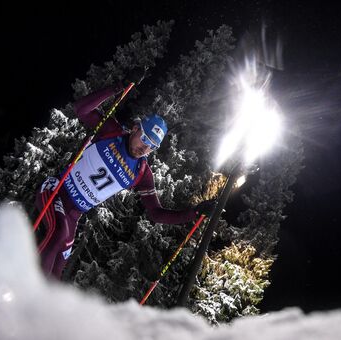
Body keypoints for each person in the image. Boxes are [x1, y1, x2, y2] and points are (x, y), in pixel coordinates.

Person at [35, 84, 216, 278]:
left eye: (152, 146)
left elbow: (156, 213)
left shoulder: (141, 172)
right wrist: (116, 88)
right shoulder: (112, 132)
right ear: (135, 128)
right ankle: (27, 290)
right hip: (56, 190)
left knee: (57, 271)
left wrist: (195, 212)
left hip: (74, 214)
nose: (145, 149)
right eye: (145, 139)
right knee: (58, 232)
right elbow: (81, 108)